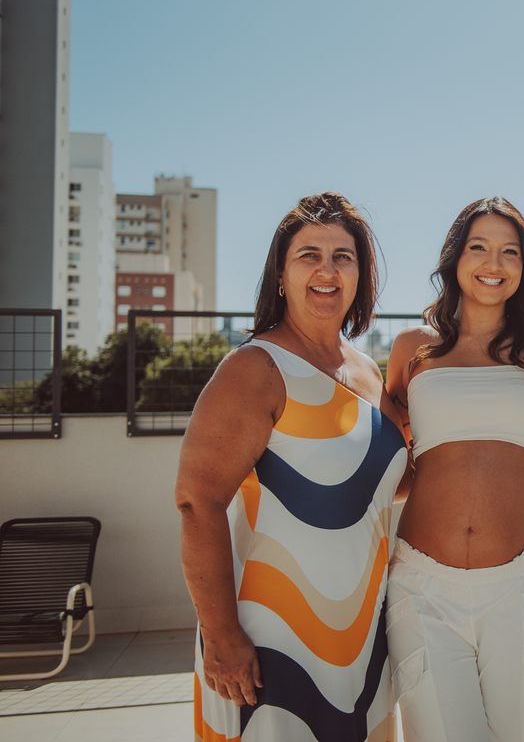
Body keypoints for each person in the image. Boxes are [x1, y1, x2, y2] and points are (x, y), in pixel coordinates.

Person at [177, 192, 406, 742]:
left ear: (360, 276)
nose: (327, 271)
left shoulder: (367, 371)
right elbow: (197, 502)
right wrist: (221, 634)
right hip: (269, 641)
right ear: (281, 275)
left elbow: (373, 489)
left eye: (343, 257)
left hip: (360, 636)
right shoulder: (255, 368)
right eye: (309, 256)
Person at [383, 197, 524, 742]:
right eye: (479, 247)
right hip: (422, 586)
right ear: (454, 259)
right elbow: (390, 461)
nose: (494, 263)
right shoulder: (413, 349)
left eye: (510, 251)